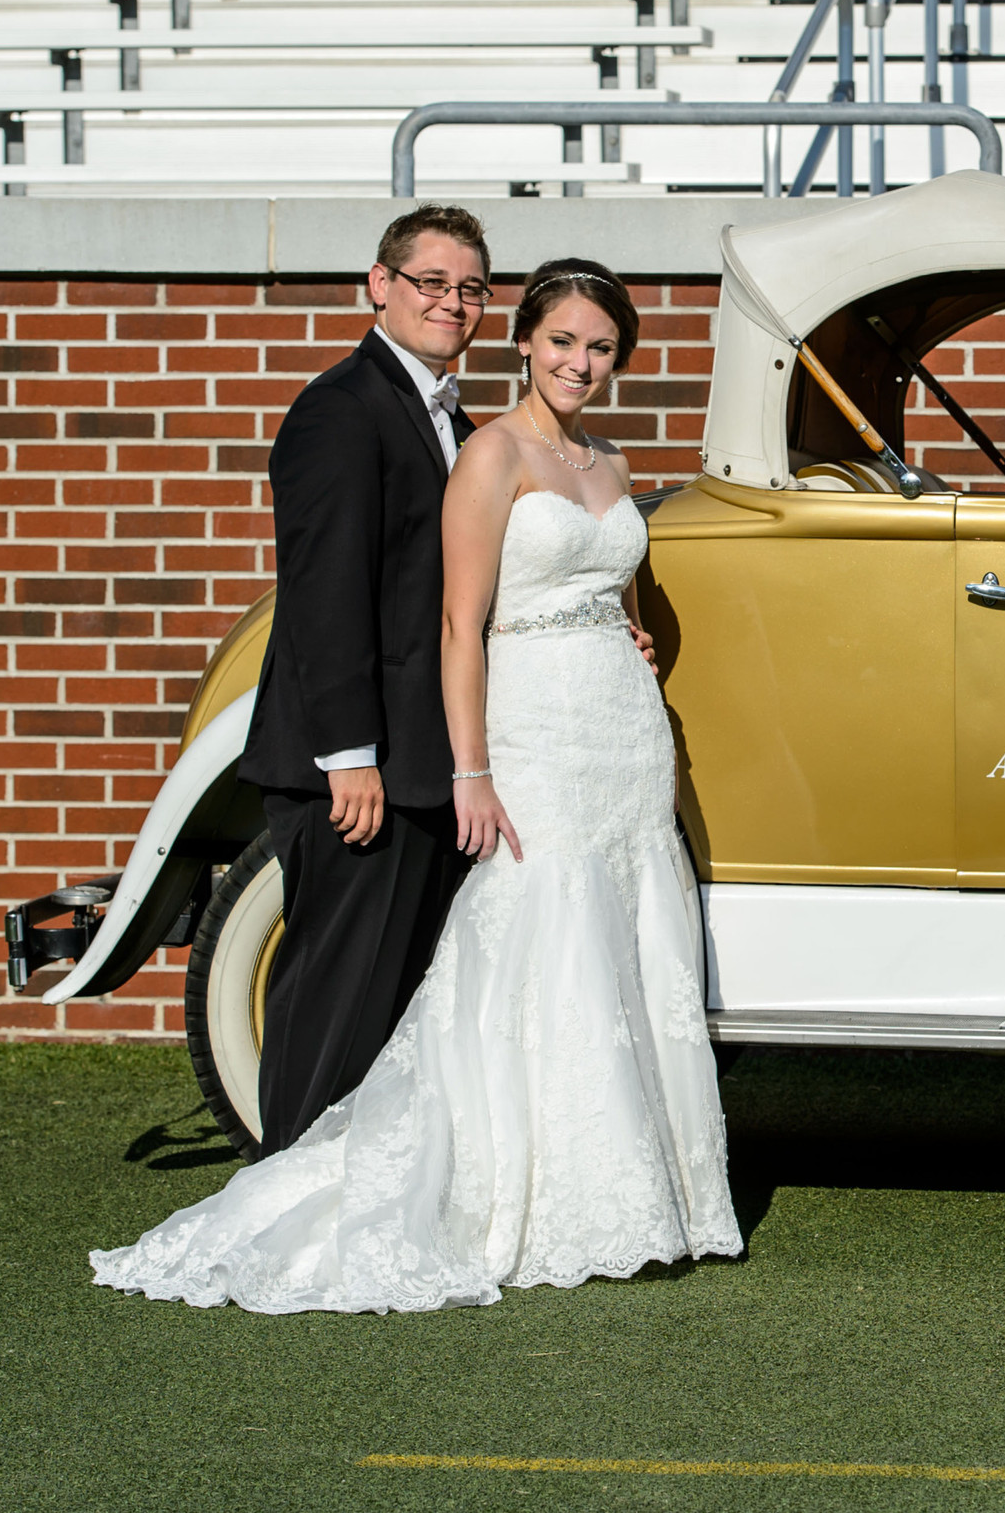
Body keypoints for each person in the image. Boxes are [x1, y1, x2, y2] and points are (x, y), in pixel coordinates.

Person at [91, 259, 739, 1312]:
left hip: (621, 734)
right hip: (533, 728)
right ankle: (508, 1189)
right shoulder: (489, 453)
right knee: (533, 937)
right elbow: (458, 623)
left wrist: (634, 638)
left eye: (601, 347)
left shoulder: (612, 464)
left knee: (624, 942)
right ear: (525, 340)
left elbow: (621, 592)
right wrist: (472, 769)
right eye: (563, 340)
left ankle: (639, 1186)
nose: (580, 362)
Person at [233, 205, 490, 1156]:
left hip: (424, 766)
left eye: (469, 288)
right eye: (430, 281)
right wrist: (349, 758)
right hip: (356, 771)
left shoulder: (449, 415)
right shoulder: (340, 409)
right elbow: (322, 595)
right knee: (332, 1004)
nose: (450, 302)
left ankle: (354, 1206)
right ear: (378, 284)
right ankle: (283, 1195)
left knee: (391, 1008)